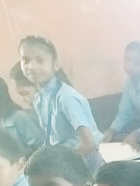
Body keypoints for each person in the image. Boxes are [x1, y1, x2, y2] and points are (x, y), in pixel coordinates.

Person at [19, 35, 103, 170]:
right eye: (25, 60)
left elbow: (89, 144)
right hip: (61, 159)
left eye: (40, 60)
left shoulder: (66, 98)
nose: (32, 66)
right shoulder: (39, 98)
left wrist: (58, 165)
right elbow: (50, 140)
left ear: (56, 64)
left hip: (83, 163)